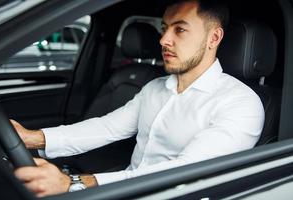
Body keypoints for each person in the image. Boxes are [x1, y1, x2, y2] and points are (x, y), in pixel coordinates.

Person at [13, 0, 265, 197]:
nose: (164, 40)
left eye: (180, 29)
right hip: (126, 188)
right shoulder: (155, 88)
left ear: (214, 38)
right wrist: (32, 137)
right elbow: (107, 127)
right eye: (165, 29)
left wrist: (75, 184)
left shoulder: (241, 104)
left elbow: (184, 173)